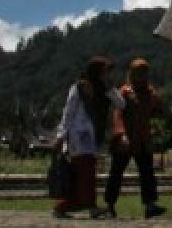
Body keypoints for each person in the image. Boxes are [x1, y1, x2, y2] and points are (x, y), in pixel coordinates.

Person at [52, 56, 125, 219]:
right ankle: (89, 206)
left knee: (85, 174)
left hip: (92, 138)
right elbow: (68, 113)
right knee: (85, 174)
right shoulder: (78, 87)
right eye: (105, 71)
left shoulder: (105, 89)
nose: (107, 75)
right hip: (78, 138)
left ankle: (64, 206)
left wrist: (110, 88)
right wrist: (61, 136)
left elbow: (121, 104)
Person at [105, 58, 168, 219]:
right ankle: (110, 204)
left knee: (147, 172)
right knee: (117, 172)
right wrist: (122, 134)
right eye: (139, 72)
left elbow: (157, 110)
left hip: (143, 138)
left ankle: (150, 205)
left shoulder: (150, 92)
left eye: (144, 72)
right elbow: (118, 114)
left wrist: (160, 110)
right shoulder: (125, 92)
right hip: (126, 139)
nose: (142, 75)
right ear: (132, 73)